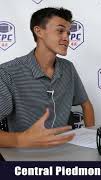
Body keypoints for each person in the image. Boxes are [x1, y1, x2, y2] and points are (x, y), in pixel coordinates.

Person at [0, 7, 95, 148]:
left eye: (68, 33)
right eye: (60, 31)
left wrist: (91, 139)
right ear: (38, 31)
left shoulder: (68, 68)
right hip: (25, 158)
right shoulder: (8, 72)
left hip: (64, 152)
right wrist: (20, 140)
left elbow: (86, 104)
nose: (67, 38)